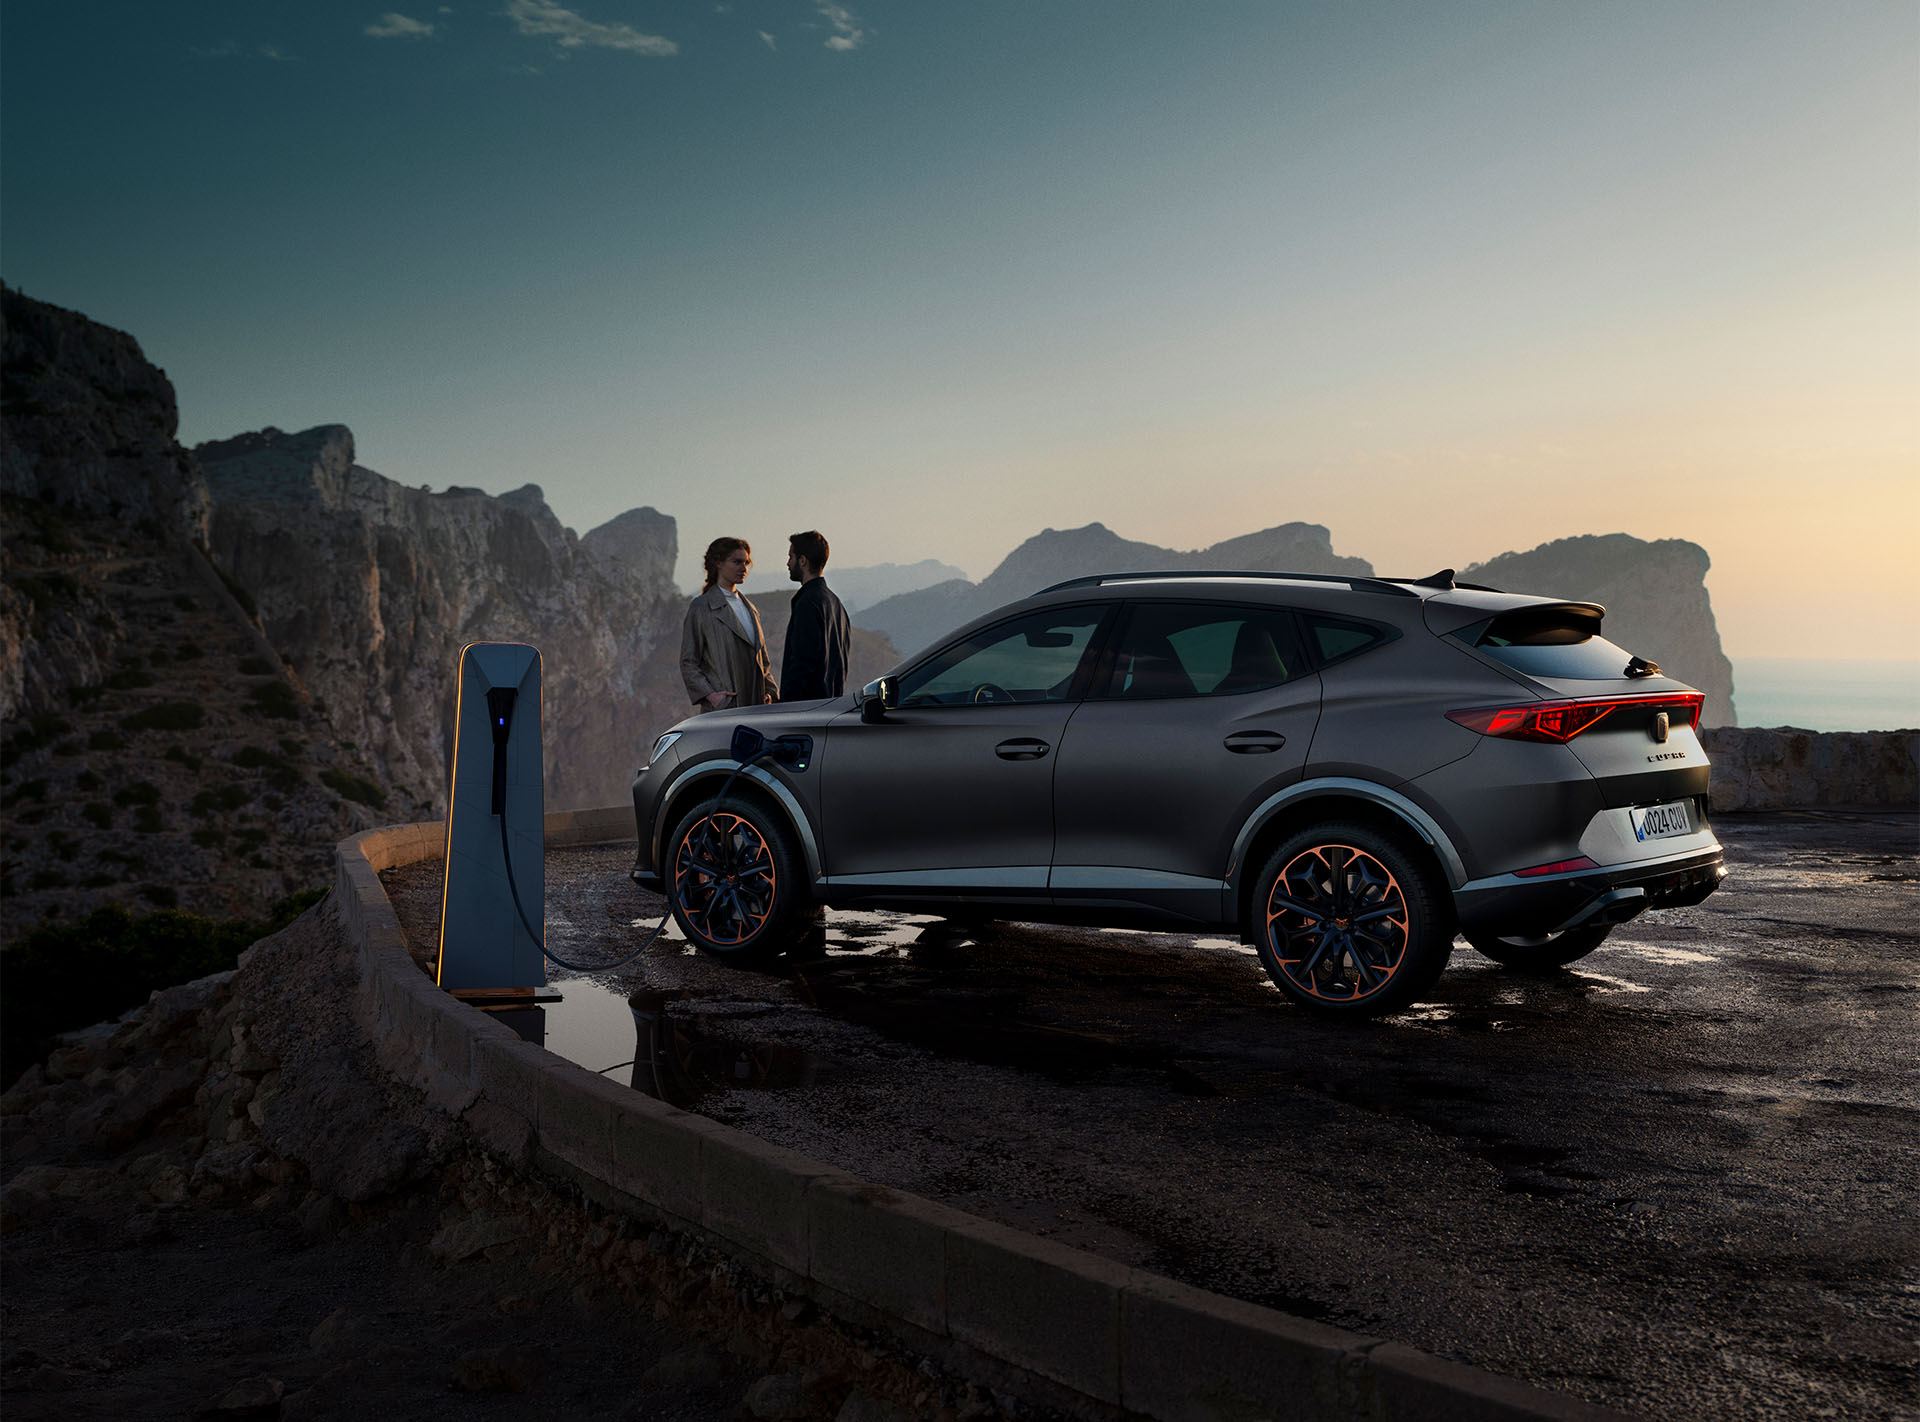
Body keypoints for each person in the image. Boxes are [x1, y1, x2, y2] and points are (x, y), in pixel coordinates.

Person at [680, 537, 777, 713]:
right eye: (737, 562)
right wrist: (711, 695)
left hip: (756, 709)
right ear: (718, 563)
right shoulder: (702, 607)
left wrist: (771, 693)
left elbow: (763, 661)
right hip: (724, 710)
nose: (744, 568)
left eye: (746, 562)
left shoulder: (751, 609)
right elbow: (689, 661)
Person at [780, 529, 852, 701]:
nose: (788, 563)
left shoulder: (808, 603)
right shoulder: (836, 604)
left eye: (791, 557)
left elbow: (803, 661)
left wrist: (786, 704)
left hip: (806, 710)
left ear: (802, 560)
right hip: (830, 705)